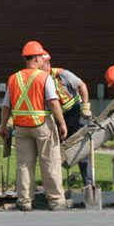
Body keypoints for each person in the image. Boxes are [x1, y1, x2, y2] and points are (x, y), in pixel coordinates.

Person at [0, 41, 69, 211]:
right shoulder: (45, 77)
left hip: (21, 127)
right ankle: (56, 201)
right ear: (37, 58)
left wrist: (2, 126)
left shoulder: (14, 78)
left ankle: (24, 201)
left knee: (24, 164)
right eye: (42, 57)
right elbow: (53, 102)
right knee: (50, 161)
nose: (43, 59)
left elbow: (6, 105)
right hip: (42, 125)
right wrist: (62, 123)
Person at [40, 56, 93, 187]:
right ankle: (55, 184)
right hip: (58, 117)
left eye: (40, 67)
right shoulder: (40, 79)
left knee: (82, 147)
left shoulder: (62, 74)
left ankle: (88, 182)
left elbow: (82, 85)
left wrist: (85, 106)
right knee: (55, 150)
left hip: (75, 112)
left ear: (46, 64)